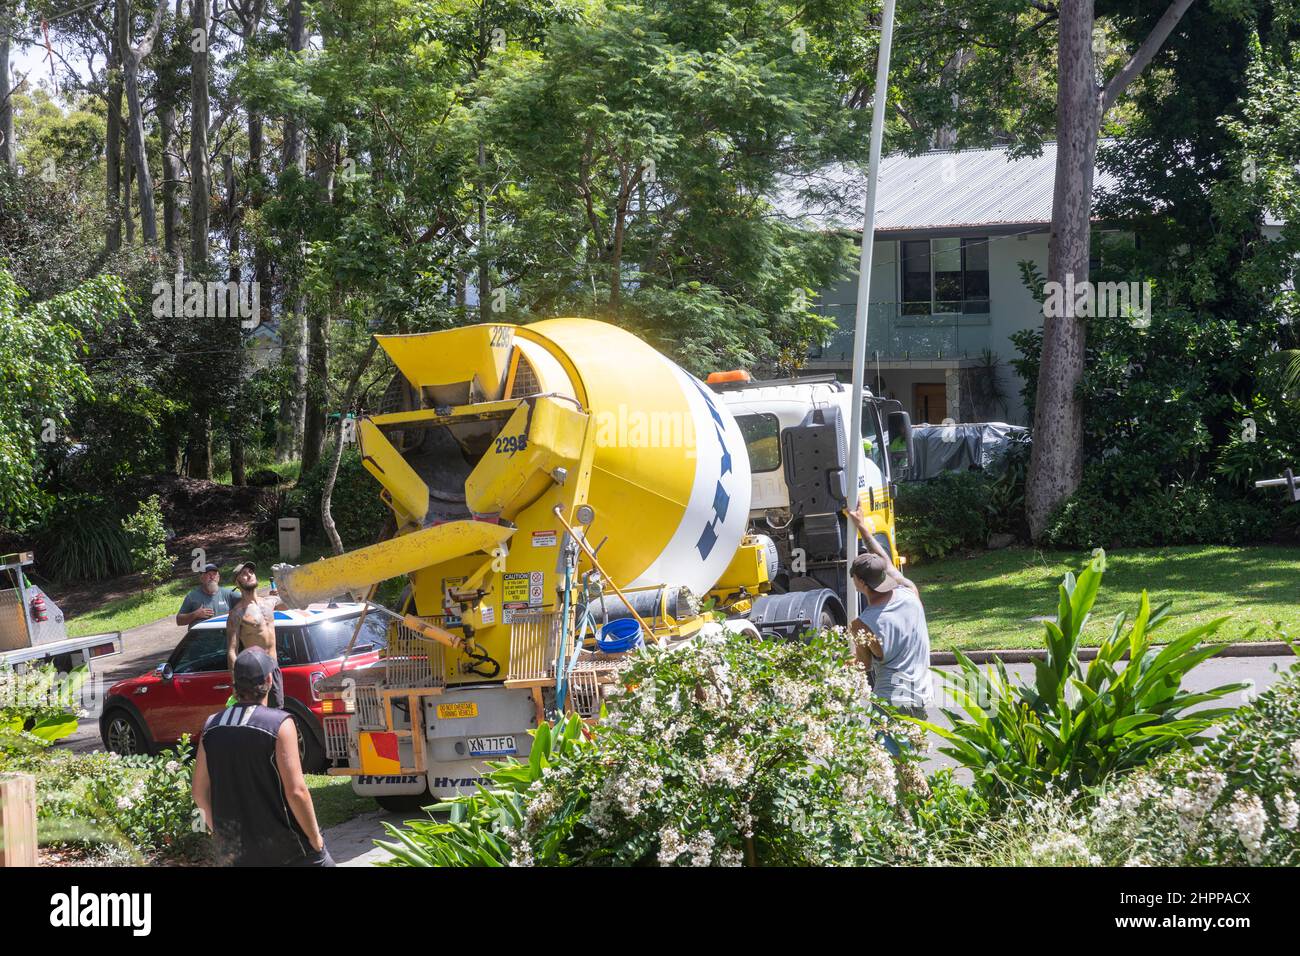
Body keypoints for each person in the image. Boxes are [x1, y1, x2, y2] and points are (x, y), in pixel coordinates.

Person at [192, 647, 333, 866]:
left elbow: (199, 794)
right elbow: (296, 791)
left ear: (235, 682)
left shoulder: (211, 726)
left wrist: (221, 836)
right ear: (269, 679)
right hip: (290, 851)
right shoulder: (279, 723)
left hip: (239, 853)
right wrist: (316, 840)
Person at [844, 507, 932, 719]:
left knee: (887, 753)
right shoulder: (910, 592)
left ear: (861, 582)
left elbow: (862, 665)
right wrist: (862, 527)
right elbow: (885, 558)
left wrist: (834, 661)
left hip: (889, 701)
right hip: (919, 697)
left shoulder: (862, 624)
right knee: (910, 752)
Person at [226, 561, 285, 708]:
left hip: (274, 667)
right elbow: (232, 651)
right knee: (258, 715)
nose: (249, 575)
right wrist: (235, 683)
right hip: (255, 672)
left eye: (251, 572)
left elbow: (297, 601)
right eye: (244, 574)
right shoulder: (237, 614)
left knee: (277, 711)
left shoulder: (269, 602)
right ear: (237, 583)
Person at [176, 563, 237, 627]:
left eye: (214, 574)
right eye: (208, 574)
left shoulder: (229, 594)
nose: (212, 577)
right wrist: (195, 614)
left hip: (223, 635)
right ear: (201, 578)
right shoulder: (192, 596)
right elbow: (179, 621)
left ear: (218, 577)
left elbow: (247, 601)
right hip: (200, 636)